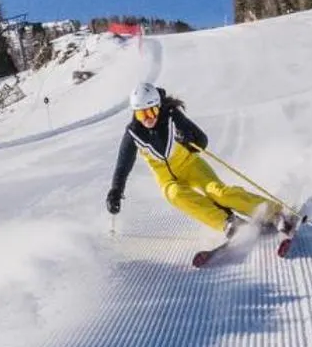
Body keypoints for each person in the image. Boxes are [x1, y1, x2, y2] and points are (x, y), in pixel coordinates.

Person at [105, 83, 275, 235]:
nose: (148, 119)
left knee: (218, 193)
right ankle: (228, 223)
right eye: (142, 115)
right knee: (175, 195)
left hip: (191, 166)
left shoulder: (171, 116)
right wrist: (115, 191)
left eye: (151, 111)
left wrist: (188, 139)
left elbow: (202, 141)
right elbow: (123, 166)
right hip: (167, 180)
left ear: (158, 106)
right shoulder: (133, 133)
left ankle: (273, 212)